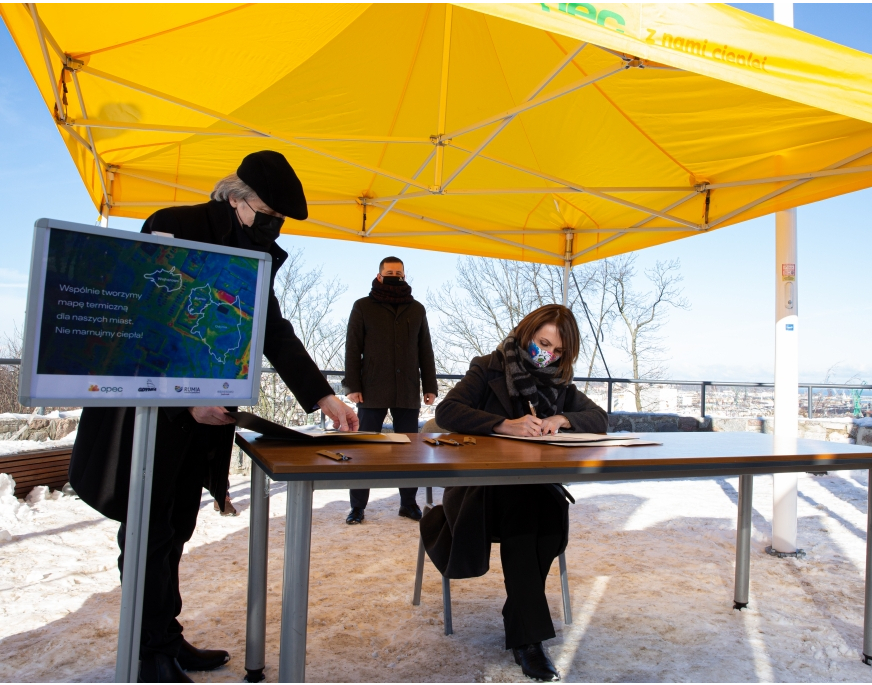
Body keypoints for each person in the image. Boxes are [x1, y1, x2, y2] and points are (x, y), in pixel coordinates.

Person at [69, 151, 359, 683]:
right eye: (267, 213)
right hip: (147, 418)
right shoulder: (171, 226)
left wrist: (325, 397)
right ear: (234, 197)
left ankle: (166, 637)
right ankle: (145, 651)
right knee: (147, 531)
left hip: (200, 424)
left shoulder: (255, 255)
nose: (273, 226)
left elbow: (272, 331)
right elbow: (143, 327)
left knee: (177, 527)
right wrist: (184, 399)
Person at [421, 304, 607, 682]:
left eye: (558, 351)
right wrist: (504, 425)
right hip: (478, 490)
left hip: (534, 489)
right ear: (527, 333)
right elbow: (449, 411)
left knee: (551, 515)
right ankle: (529, 640)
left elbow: (601, 419)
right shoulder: (488, 366)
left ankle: (520, 617)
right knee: (529, 512)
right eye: (543, 344)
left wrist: (561, 418)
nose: (548, 356)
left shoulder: (558, 383)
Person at [343, 256, 438, 524]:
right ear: (379, 275)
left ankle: (408, 504)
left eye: (399, 272)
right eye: (390, 272)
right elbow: (353, 347)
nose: (395, 275)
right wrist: (352, 385)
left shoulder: (417, 309)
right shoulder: (362, 306)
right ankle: (358, 507)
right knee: (364, 450)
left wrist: (430, 385)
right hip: (371, 389)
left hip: (407, 389)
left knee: (409, 450)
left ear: (405, 276)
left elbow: (425, 350)